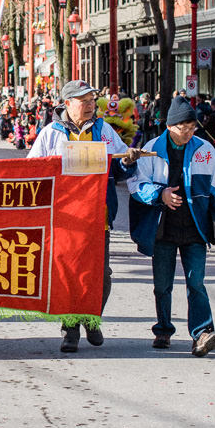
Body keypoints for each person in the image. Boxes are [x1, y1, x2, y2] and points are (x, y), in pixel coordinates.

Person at [27, 80, 143, 353]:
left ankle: (92, 318)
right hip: (64, 218)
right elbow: (32, 170)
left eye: (92, 100)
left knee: (101, 274)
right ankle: (70, 330)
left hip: (97, 215)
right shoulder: (50, 134)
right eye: (84, 101)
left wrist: (128, 159)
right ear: (67, 104)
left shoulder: (104, 130)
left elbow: (120, 165)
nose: (90, 106)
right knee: (68, 275)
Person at [127, 97, 215, 357]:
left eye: (193, 127)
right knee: (162, 285)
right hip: (163, 228)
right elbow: (136, 184)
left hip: (195, 227)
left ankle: (203, 333)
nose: (189, 132)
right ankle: (163, 329)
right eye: (184, 127)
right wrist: (160, 195)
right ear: (170, 126)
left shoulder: (204, 149)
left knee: (197, 283)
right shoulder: (152, 149)